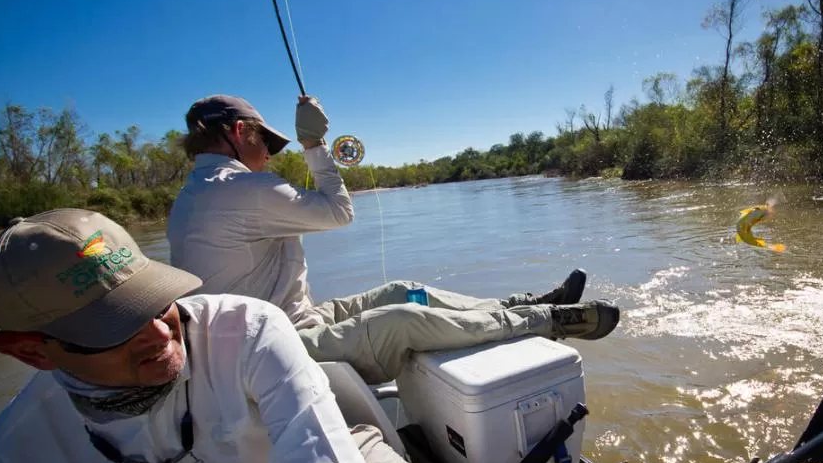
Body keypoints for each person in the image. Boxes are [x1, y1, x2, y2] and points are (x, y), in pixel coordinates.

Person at [0, 209, 477, 463]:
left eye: (155, 299)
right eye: (114, 326)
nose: (159, 332)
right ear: (31, 352)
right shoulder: (24, 447)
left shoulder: (250, 328)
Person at [166, 94, 621, 384]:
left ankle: (518, 302)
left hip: (290, 319)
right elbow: (339, 211)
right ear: (239, 132)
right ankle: (548, 318)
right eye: (266, 140)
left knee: (402, 290)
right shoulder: (240, 189)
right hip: (270, 346)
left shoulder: (196, 194)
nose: (269, 152)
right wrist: (313, 146)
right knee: (403, 317)